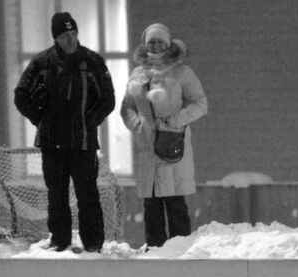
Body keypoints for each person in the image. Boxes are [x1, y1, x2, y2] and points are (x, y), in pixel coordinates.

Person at [14, 12, 115, 252]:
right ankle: (60, 241)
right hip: (52, 143)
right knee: (56, 195)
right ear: (56, 39)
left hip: (83, 143)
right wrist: (41, 120)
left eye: (73, 34)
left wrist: (89, 121)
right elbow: (21, 95)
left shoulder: (92, 61)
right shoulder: (41, 63)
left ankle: (93, 244)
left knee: (87, 195)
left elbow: (107, 99)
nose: (70, 40)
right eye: (64, 36)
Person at [120, 23, 207, 248]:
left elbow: (201, 103)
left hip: (173, 145)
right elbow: (126, 107)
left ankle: (181, 251)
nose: (156, 45)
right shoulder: (137, 74)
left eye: (160, 41)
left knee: (176, 202)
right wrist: (137, 124)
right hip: (146, 147)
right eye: (151, 41)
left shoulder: (182, 72)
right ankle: (155, 252)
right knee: (152, 206)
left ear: (168, 44)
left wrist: (177, 120)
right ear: (145, 44)